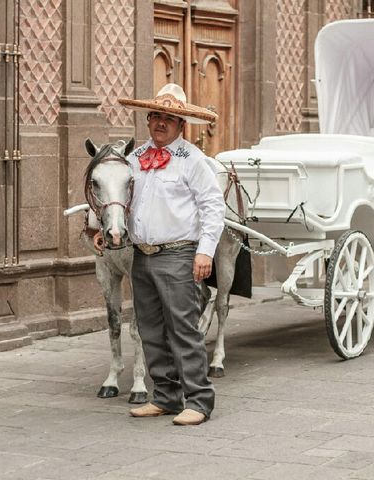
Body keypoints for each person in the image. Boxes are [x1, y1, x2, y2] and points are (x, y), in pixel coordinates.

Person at [118, 84, 225, 426]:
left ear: (181, 125)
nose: (161, 123)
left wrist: (205, 251)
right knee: (149, 328)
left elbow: (212, 206)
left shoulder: (193, 160)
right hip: (142, 255)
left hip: (178, 254)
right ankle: (164, 396)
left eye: (169, 118)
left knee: (182, 328)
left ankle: (199, 400)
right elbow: (119, 201)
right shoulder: (133, 160)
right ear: (148, 120)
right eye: (156, 116)